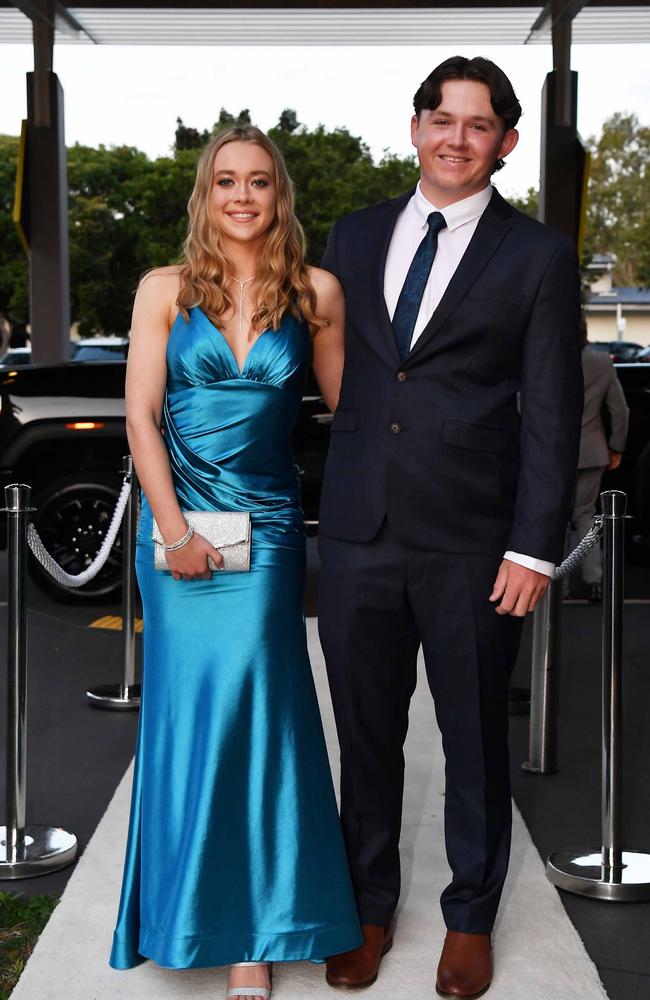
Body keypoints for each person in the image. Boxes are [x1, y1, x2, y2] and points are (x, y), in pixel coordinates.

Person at [318, 56, 583, 998]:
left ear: (504, 142)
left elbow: (553, 411)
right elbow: (328, 358)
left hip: (476, 541)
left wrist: (533, 543)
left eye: (478, 124)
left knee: (473, 739)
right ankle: (368, 906)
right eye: (442, 118)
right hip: (357, 530)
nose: (456, 138)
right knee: (367, 737)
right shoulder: (352, 236)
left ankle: (470, 916)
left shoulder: (539, 257)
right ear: (416, 126)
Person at [109, 126, 362, 1000]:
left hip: (269, 535)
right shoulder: (164, 290)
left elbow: (356, 413)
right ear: (205, 195)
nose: (243, 196)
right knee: (188, 724)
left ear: (279, 193)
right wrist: (173, 531)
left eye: (258, 181)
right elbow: (141, 417)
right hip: (179, 534)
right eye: (226, 182)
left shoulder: (315, 292)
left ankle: (254, 932)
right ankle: (182, 912)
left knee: (259, 722)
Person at [569, 318, 629, 601]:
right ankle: (595, 581)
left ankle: (557, 587)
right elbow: (620, 411)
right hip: (593, 451)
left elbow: (521, 403)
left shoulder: (546, 358)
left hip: (553, 453)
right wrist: (616, 447)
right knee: (586, 515)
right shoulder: (602, 362)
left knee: (551, 517)